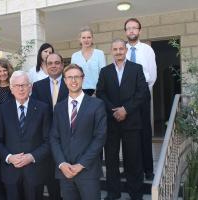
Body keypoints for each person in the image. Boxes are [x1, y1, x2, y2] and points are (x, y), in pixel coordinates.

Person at [96, 39, 148, 200]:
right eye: (115, 49)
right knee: (111, 160)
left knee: (133, 159)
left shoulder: (136, 69)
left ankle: (136, 192)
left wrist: (126, 109)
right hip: (111, 122)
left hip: (131, 121)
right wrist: (114, 111)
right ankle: (113, 192)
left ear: (126, 50)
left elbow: (143, 92)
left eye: (121, 49)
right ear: (111, 51)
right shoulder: (105, 71)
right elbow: (100, 93)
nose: (118, 51)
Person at [50, 64, 107, 200]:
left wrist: (81, 164)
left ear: (83, 78)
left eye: (77, 77)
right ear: (64, 80)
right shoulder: (59, 107)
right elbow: (54, 138)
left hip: (88, 171)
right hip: (65, 172)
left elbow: (100, 138)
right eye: (69, 77)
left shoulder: (97, 104)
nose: (73, 80)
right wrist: (62, 164)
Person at [0, 71, 50, 200]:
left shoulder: (43, 109)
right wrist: (9, 157)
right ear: (11, 89)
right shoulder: (2, 110)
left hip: (35, 171)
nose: (21, 88)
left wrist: (32, 156)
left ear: (30, 87)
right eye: (17, 85)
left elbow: (48, 141)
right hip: (11, 172)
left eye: (24, 85)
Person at [31, 53, 68, 199]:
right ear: (45, 66)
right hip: (44, 139)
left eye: (57, 62)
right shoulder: (38, 86)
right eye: (50, 63)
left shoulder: (70, 83)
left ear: (62, 65)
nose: (53, 65)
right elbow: (34, 113)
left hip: (66, 138)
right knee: (46, 177)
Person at [124, 18, 157, 180]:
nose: (131, 31)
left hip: (142, 94)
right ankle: (130, 168)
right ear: (125, 32)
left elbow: (152, 74)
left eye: (134, 28)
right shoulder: (121, 50)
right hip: (125, 96)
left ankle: (148, 169)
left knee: (144, 131)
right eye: (128, 28)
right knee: (129, 133)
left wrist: (142, 91)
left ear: (139, 31)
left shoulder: (147, 50)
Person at [71, 26, 106, 96]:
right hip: (79, 92)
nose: (86, 40)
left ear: (92, 39)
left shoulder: (100, 53)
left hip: (97, 92)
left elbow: (103, 75)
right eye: (83, 37)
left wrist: (96, 92)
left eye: (89, 37)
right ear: (80, 40)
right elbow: (73, 76)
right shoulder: (75, 56)